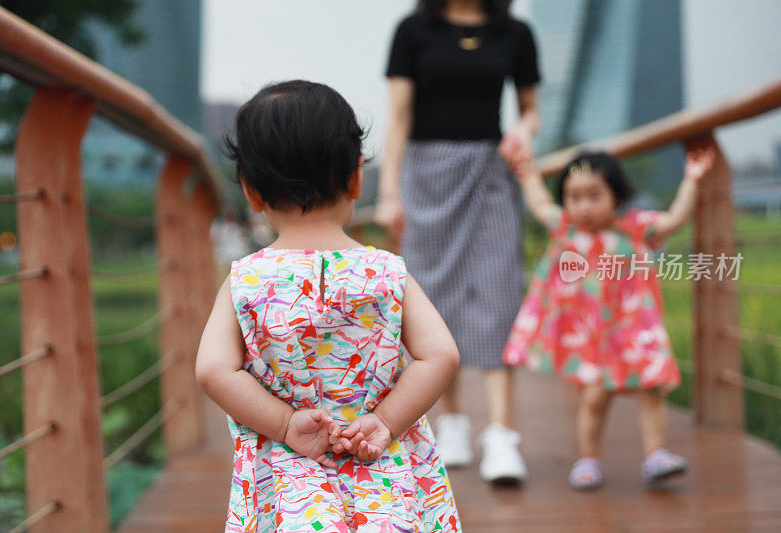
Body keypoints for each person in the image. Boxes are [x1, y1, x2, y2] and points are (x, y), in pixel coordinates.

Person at [195, 80, 463, 532]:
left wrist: (284, 424)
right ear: (357, 177)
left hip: (286, 477)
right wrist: (384, 421)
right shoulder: (386, 271)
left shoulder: (246, 278)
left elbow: (213, 371)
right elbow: (441, 355)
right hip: (384, 466)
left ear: (251, 191)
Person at [376, 0, 542, 484]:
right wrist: (389, 192)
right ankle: (450, 422)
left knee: (498, 289)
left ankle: (501, 434)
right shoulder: (413, 31)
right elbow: (399, 116)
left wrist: (522, 132)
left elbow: (531, 110)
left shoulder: (514, 32)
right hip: (427, 175)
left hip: (490, 171)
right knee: (434, 292)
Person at [501, 137, 716, 490]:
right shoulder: (566, 228)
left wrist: (692, 178)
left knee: (651, 389)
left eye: (594, 195)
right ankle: (588, 459)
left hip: (634, 328)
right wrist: (525, 170)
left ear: (616, 195)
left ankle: (656, 454)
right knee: (595, 397)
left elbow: (675, 219)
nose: (584, 206)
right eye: (574, 197)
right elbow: (539, 203)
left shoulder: (632, 228)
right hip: (594, 334)